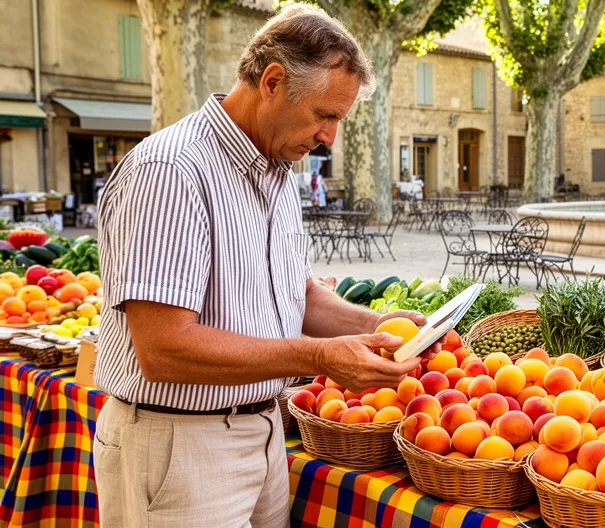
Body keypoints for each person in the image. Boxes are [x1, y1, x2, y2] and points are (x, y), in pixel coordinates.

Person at [92, 5, 438, 526]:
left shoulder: (276, 167)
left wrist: (379, 328)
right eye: (325, 115)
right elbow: (162, 348)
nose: (329, 138)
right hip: (179, 444)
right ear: (273, 81)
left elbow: (292, 296)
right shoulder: (171, 171)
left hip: (262, 432)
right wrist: (320, 358)